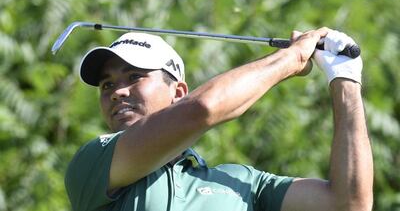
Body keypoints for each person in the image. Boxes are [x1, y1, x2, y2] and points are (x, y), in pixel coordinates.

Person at [65, 27, 373, 211]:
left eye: (134, 77)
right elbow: (203, 109)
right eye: (107, 85)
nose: (117, 92)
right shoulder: (94, 161)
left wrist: (344, 78)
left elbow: (349, 203)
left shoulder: (242, 183)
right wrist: (291, 58)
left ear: (178, 92)